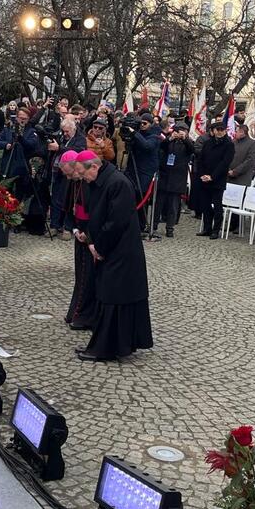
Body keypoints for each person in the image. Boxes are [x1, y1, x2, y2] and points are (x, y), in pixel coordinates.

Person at [76, 153, 153, 361]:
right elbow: (97, 216)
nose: (83, 179)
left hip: (121, 249)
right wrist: (90, 237)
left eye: (84, 174)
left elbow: (115, 222)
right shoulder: (102, 181)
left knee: (113, 295)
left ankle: (106, 348)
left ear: (93, 167)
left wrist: (99, 247)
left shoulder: (118, 183)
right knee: (106, 293)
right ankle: (107, 343)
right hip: (112, 246)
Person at [63, 150, 98, 331]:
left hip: (90, 236)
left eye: (71, 174)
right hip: (80, 234)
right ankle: (76, 312)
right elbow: (69, 209)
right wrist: (75, 229)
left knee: (89, 277)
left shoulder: (89, 183)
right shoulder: (74, 183)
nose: (70, 178)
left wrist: (88, 234)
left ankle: (84, 315)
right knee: (81, 276)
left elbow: (96, 212)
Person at [191, 121, 235, 237]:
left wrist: (212, 176)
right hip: (204, 179)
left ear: (225, 131)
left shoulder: (229, 145)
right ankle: (207, 228)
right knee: (205, 205)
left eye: (222, 130)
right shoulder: (208, 143)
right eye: (217, 130)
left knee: (217, 206)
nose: (219, 132)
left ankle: (216, 230)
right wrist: (203, 175)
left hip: (217, 180)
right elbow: (201, 160)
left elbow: (225, 163)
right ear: (213, 131)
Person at [0, 106, 43, 212]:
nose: (22, 120)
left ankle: (13, 218)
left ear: (28, 119)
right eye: (20, 117)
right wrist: (5, 144)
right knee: (3, 194)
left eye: (24, 118)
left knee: (17, 198)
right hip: (7, 167)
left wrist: (20, 138)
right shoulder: (8, 129)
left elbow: (31, 145)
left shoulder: (31, 132)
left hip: (22, 170)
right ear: (16, 117)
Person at [155, 122, 194, 237]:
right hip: (165, 175)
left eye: (182, 131)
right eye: (177, 131)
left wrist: (185, 139)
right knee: (159, 204)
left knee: (173, 205)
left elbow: (192, 150)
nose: (179, 133)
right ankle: (154, 225)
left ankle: (170, 228)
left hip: (178, 178)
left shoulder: (188, 142)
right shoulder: (169, 140)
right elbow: (162, 147)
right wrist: (170, 138)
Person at [226, 123, 255, 188]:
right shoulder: (233, 142)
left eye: (236, 131)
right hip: (228, 178)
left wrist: (235, 172)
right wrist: (228, 170)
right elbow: (226, 157)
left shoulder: (253, 144)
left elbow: (249, 160)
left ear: (242, 132)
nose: (235, 133)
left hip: (242, 179)